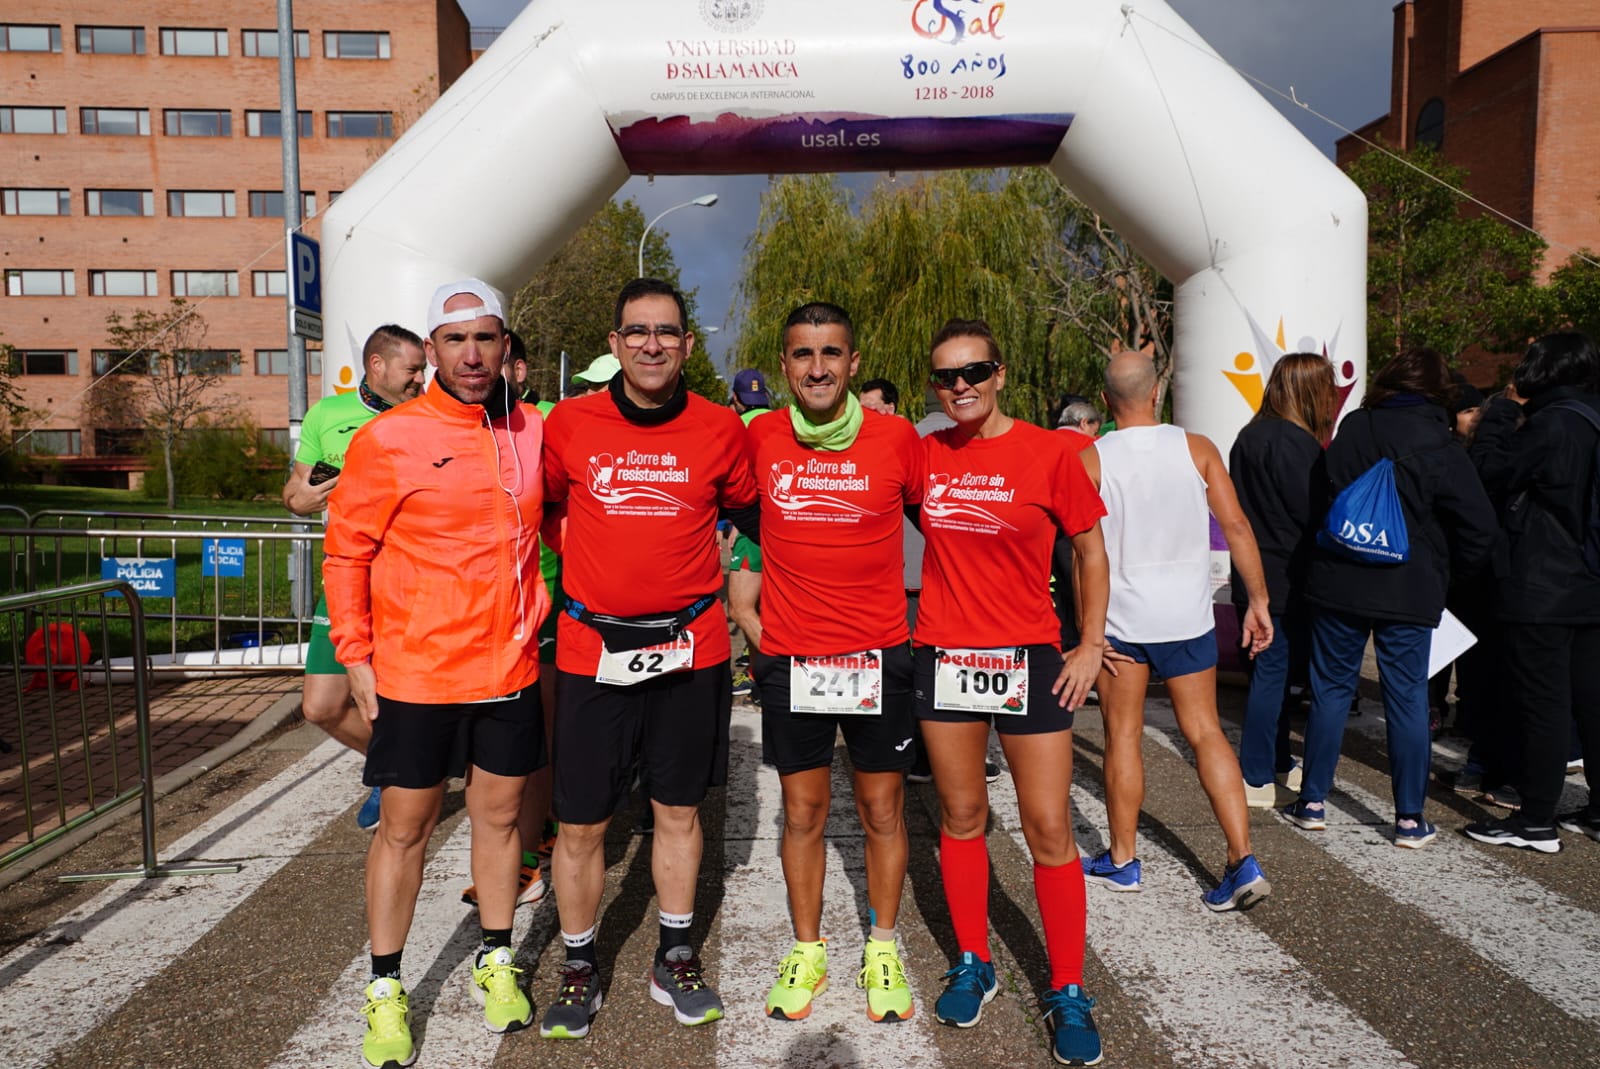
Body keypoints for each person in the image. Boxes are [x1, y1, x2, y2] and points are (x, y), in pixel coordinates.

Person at [324, 280, 549, 1068]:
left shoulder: (530, 429)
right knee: (405, 828)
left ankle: (495, 956)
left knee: (499, 822)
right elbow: (346, 550)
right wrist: (354, 654)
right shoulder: (390, 438)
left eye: (486, 338)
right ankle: (386, 987)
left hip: (509, 667)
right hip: (418, 671)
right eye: (456, 341)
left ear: (505, 346)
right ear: (431, 351)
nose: (473, 354)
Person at [539, 278, 759, 1039]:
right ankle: (577, 962)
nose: (652, 344)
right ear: (614, 344)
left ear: (689, 345)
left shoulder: (721, 429)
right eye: (636, 331)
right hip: (591, 645)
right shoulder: (568, 424)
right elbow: (538, 512)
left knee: (678, 808)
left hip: (688, 647)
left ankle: (674, 949)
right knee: (581, 821)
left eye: (666, 331)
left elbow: (749, 512)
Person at [913, 319, 1112, 1066]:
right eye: (945, 377)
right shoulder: (926, 454)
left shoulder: (1049, 452)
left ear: (1000, 372)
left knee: (1047, 826)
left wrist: (1089, 644)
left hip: (1030, 657)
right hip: (944, 655)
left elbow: (1091, 549)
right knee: (962, 814)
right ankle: (975, 959)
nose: (959, 386)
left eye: (974, 372)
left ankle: (1066, 987)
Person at [746, 302, 924, 1024]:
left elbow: (950, 528)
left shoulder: (897, 439)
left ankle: (882, 943)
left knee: (883, 808)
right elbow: (715, 517)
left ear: (853, 362)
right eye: (802, 354)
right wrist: (741, 611)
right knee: (803, 812)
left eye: (831, 353)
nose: (817, 368)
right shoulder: (759, 438)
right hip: (794, 661)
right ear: (784, 363)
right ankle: (808, 946)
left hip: (878, 655)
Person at [1078, 349, 1275, 909]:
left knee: (1123, 736)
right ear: (1156, 392)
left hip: (1121, 619)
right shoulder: (1197, 448)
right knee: (1206, 733)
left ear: (1106, 398)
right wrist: (1257, 601)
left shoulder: (1093, 458)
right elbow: (1236, 525)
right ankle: (1242, 858)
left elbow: (1080, 550)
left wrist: (1085, 629)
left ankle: (1122, 860)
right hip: (1186, 616)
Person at [1288, 347, 1497, 847]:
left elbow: (1323, 496)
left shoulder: (1355, 427)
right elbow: (1480, 528)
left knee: (1332, 692)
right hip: (1410, 585)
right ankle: (1408, 818)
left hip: (1340, 579)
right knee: (1407, 699)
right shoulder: (1442, 443)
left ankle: (1313, 801)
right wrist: (1448, 575)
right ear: (1439, 392)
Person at [282, 324, 426, 831]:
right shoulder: (329, 414)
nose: (420, 381)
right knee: (321, 706)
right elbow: (296, 496)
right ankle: (394, 768)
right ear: (377, 366)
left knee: (395, 698)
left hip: (407, 583)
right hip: (345, 578)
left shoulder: (427, 417)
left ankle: (400, 776)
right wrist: (324, 489)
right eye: (413, 371)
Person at [1466, 332, 1600, 851]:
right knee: (1592, 700)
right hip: (1591, 582)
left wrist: (1500, 413)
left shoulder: (1553, 425)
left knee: (1542, 703)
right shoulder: (1592, 418)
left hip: (1543, 586)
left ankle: (1537, 819)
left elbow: (1490, 473)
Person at [459, 330, 554, 910]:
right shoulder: (448, 425)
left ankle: (526, 856)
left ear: (516, 367)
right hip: (468, 623)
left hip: (545, 604)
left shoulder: (544, 425)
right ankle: (518, 848)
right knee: (488, 763)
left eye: (500, 357)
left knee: (537, 740)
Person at [1227, 354, 1335, 807]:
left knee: (1265, 672)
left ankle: (1274, 760)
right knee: (1274, 674)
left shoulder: (1247, 437)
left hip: (1249, 570)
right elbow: (1310, 514)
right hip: (1287, 575)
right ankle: (1255, 774)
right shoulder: (1300, 445)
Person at [727, 368, 773, 696]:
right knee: (766, 608)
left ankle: (777, 670)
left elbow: (731, 484)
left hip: (751, 526)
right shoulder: (781, 423)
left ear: (735, 398)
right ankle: (760, 676)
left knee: (740, 608)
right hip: (780, 524)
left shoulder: (735, 426)